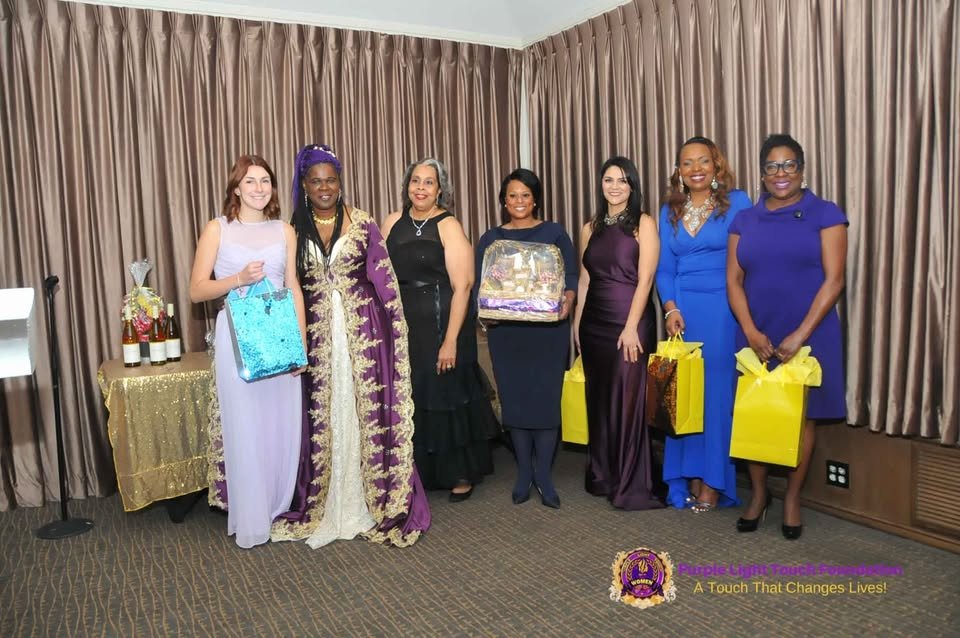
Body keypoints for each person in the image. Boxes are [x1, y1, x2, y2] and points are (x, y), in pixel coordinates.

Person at [270, 144, 431, 548]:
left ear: (340, 183)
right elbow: (288, 286)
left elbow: (386, 283)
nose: (324, 188)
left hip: (364, 339)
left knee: (365, 413)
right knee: (323, 416)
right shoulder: (293, 228)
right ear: (304, 186)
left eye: (331, 180)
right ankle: (323, 500)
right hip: (317, 342)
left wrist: (396, 336)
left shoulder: (362, 223)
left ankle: (369, 498)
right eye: (316, 181)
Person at [727, 134, 848, 540]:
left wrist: (799, 335)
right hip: (756, 330)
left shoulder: (826, 213)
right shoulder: (745, 220)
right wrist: (749, 330)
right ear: (762, 174)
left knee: (801, 418)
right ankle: (760, 495)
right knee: (754, 413)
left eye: (789, 164)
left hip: (810, 333)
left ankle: (793, 499)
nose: (781, 173)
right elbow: (733, 281)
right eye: (772, 166)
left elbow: (834, 281)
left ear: (801, 169)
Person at [189, 155, 305, 549]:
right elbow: (196, 290)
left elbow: (292, 286)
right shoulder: (217, 229)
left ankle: (277, 508)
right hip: (237, 336)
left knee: (279, 422)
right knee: (246, 424)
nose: (259, 188)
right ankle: (253, 515)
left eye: (265, 181)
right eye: (250, 181)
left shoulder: (284, 230)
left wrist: (300, 344)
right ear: (236, 188)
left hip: (279, 333)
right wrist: (237, 279)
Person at [383, 158, 499, 502]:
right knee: (414, 395)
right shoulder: (391, 222)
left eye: (428, 182)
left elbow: (463, 287)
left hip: (443, 323)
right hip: (405, 325)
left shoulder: (448, 225)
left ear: (440, 190)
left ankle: (458, 473)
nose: (420, 187)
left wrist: (450, 341)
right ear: (407, 186)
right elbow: (379, 274)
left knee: (445, 395)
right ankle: (420, 471)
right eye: (415, 181)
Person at [656, 136, 752, 512]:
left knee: (716, 397)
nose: (695, 169)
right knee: (685, 395)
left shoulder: (737, 203)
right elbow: (665, 268)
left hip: (724, 309)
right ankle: (689, 475)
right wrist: (670, 309)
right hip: (683, 311)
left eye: (703, 161)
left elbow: (749, 257)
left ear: (716, 166)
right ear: (678, 171)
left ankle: (713, 481)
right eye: (687, 163)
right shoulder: (669, 210)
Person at [475, 169, 577, 508]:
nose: (519, 201)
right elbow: (480, 284)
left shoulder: (555, 233)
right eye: (512, 195)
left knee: (545, 402)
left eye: (525, 195)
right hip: (507, 333)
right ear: (504, 201)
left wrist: (569, 299)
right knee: (515, 401)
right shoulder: (491, 240)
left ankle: (544, 475)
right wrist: (485, 311)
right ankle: (523, 473)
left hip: (548, 332)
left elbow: (571, 275)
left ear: (535, 199)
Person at [573, 156, 663, 510]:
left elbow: (646, 279)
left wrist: (630, 327)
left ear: (632, 186)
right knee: (600, 400)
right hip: (594, 323)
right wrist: (577, 325)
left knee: (628, 401)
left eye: (622, 180)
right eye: (608, 179)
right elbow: (584, 280)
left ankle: (630, 483)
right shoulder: (590, 227)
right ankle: (604, 475)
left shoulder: (644, 224)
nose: (614, 186)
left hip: (630, 322)